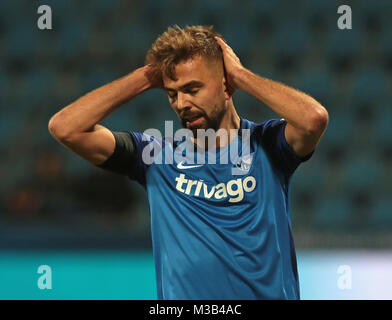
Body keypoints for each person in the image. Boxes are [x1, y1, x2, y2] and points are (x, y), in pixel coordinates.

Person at [48, 25, 328, 299]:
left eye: (193, 89)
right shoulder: (156, 155)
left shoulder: (267, 144)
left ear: (225, 85)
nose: (182, 103)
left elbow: (313, 120)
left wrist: (241, 75)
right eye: (173, 93)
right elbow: (66, 128)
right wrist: (146, 77)